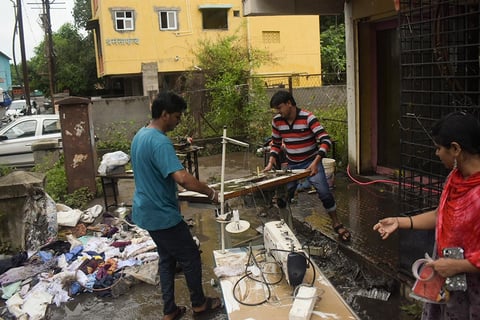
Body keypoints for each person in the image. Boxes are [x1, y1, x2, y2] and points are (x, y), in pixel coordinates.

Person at [373, 111, 480, 319]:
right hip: (449, 284)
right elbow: (442, 215)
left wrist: (457, 265)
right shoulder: (455, 179)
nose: (436, 153)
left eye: (439, 148)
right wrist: (399, 222)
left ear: (456, 149)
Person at [130, 91, 223, 320]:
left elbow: (155, 173)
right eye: (177, 116)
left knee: (167, 258)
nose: (179, 120)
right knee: (190, 256)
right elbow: (182, 177)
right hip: (162, 214)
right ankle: (199, 304)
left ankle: (169, 310)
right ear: (165, 115)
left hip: (145, 210)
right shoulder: (160, 141)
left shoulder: (140, 135)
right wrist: (211, 192)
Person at [263, 90, 351, 241]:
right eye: (276, 109)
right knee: (284, 195)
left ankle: (336, 223)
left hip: (312, 162)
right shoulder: (277, 121)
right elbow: (276, 144)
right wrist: (271, 162)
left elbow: (326, 140)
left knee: (325, 193)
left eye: (279, 107)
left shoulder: (308, 118)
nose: (278, 112)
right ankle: (286, 227)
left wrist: (316, 163)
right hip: (292, 165)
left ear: (289, 103)